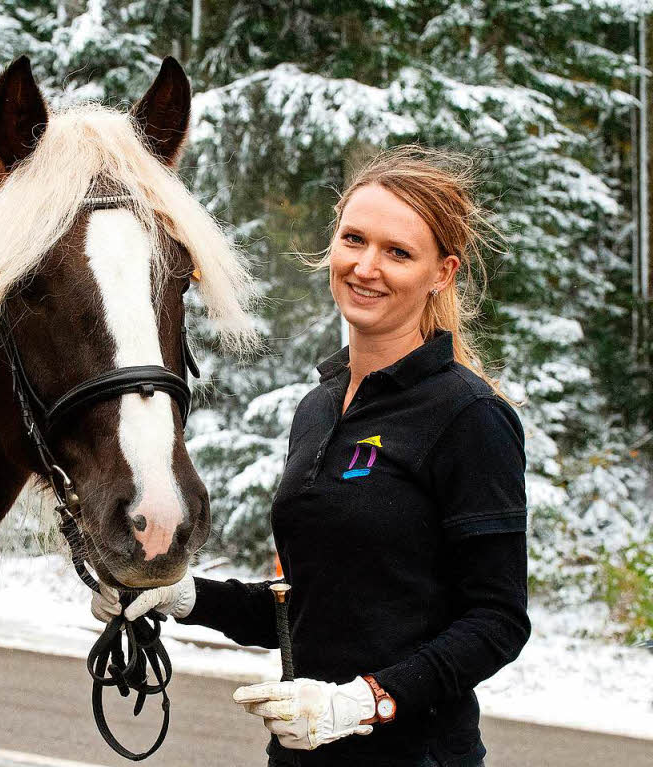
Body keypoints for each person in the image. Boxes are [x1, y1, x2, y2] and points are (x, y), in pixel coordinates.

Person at [91, 146, 531, 767]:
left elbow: (498, 619)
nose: (366, 266)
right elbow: (309, 605)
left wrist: (367, 701)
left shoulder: (469, 416)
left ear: (442, 273)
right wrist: (184, 596)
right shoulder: (319, 408)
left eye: (398, 252)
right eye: (354, 239)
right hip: (301, 756)